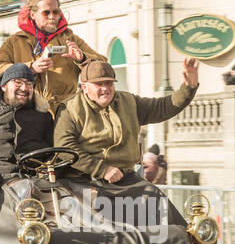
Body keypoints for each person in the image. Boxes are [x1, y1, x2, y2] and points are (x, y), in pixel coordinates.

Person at [53, 57, 200, 184]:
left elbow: (163, 107)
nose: (105, 88)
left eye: (109, 83)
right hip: (84, 180)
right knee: (99, 215)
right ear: (84, 87)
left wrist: (188, 87)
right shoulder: (69, 109)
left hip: (126, 179)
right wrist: (102, 170)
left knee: (162, 209)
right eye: (99, 84)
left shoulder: (128, 101)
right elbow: (65, 147)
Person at [0, 0, 105, 110]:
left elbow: (103, 65)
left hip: (66, 110)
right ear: (33, 15)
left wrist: (82, 58)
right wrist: (29, 68)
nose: (52, 17)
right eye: (46, 13)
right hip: (27, 110)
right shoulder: (15, 41)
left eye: (55, 12)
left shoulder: (71, 39)